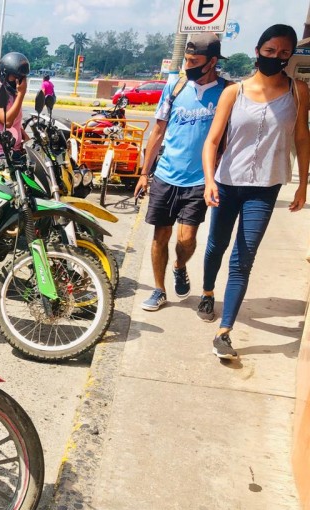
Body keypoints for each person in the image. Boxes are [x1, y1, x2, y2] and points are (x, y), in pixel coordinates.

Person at [198, 24, 309, 359]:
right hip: (228, 182)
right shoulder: (235, 92)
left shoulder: (299, 92)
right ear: (258, 50)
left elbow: (302, 139)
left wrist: (303, 183)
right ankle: (206, 291)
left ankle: (224, 331)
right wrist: (209, 180)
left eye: (284, 53)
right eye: (270, 51)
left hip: (265, 187)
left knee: (243, 258)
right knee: (216, 244)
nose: (276, 57)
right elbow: (213, 140)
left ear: (290, 57)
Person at [134, 33, 227, 312]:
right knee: (160, 236)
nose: (188, 65)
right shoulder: (175, 86)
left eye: (194, 61)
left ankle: (179, 265)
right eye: (186, 59)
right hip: (166, 175)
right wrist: (144, 172)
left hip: (200, 180)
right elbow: (158, 131)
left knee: (186, 239)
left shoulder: (226, 92)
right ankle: (159, 289)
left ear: (212, 62)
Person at [0, 52, 30, 170]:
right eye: (15, 77)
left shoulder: (14, 95)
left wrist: (27, 139)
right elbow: (7, 121)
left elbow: (15, 124)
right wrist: (22, 94)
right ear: (4, 75)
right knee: (10, 185)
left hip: (16, 152)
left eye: (22, 77)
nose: (19, 81)